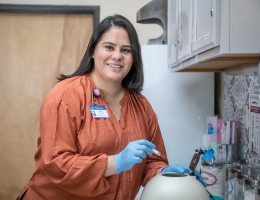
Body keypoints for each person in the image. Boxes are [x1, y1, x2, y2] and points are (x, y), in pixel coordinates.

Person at [17, 14, 206, 200]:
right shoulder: (65, 96)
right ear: (93, 50)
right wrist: (115, 162)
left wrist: (165, 172)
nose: (117, 56)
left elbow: (152, 161)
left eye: (126, 50)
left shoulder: (141, 106)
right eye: (109, 47)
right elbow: (56, 164)